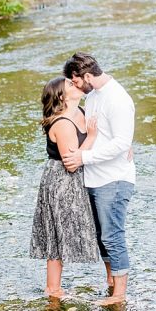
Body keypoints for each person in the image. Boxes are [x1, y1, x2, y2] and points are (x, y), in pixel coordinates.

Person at [61, 53, 136, 306]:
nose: (74, 86)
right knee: (102, 235)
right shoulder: (92, 97)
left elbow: (122, 142)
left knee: (113, 235)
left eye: (75, 81)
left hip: (114, 179)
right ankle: (111, 281)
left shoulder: (118, 99)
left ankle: (119, 296)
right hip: (94, 178)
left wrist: (83, 158)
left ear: (88, 76)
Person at [30, 76, 101, 298]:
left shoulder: (80, 111)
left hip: (77, 180)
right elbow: (71, 163)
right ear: (61, 96)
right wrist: (91, 136)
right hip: (60, 181)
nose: (75, 83)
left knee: (64, 234)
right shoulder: (62, 123)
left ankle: (55, 290)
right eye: (70, 84)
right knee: (56, 236)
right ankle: (53, 290)